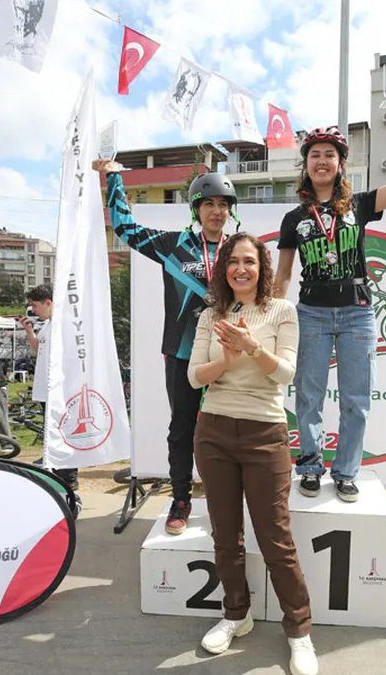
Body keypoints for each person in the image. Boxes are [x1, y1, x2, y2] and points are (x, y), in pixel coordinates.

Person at [273, 99, 386, 504]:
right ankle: (310, 465)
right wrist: (271, 316)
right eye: (315, 155)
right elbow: (284, 274)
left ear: (340, 164)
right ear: (306, 165)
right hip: (312, 315)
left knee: (357, 399)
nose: (322, 161)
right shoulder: (293, 219)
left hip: (357, 314)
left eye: (329, 155)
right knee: (309, 396)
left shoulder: (360, 206)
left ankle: (347, 472)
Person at [187, 232, 317, 675]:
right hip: (214, 432)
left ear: (262, 268)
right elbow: (194, 378)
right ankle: (235, 616)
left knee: (276, 539)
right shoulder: (211, 314)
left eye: (250, 261)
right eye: (233, 262)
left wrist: (250, 346)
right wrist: (225, 357)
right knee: (226, 536)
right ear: (224, 270)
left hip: (265, 433)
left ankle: (299, 632)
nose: (241, 269)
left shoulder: (282, 311)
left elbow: (284, 373)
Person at [92, 158, 241, 534]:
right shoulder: (173, 244)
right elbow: (125, 228)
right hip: (182, 352)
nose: (217, 211)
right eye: (209, 204)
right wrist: (113, 180)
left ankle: (228, 500)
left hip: (227, 352)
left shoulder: (239, 249)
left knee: (230, 427)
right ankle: (181, 497)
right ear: (196, 209)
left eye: (223, 205)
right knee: (182, 429)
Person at [19, 285, 79, 494]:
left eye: (35, 306)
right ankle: (56, 472)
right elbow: (38, 349)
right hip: (45, 390)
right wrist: (29, 331)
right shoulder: (47, 325)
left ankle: (69, 479)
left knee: (63, 434)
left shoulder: (65, 324)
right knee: (51, 434)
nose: (33, 310)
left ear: (49, 302)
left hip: (58, 390)